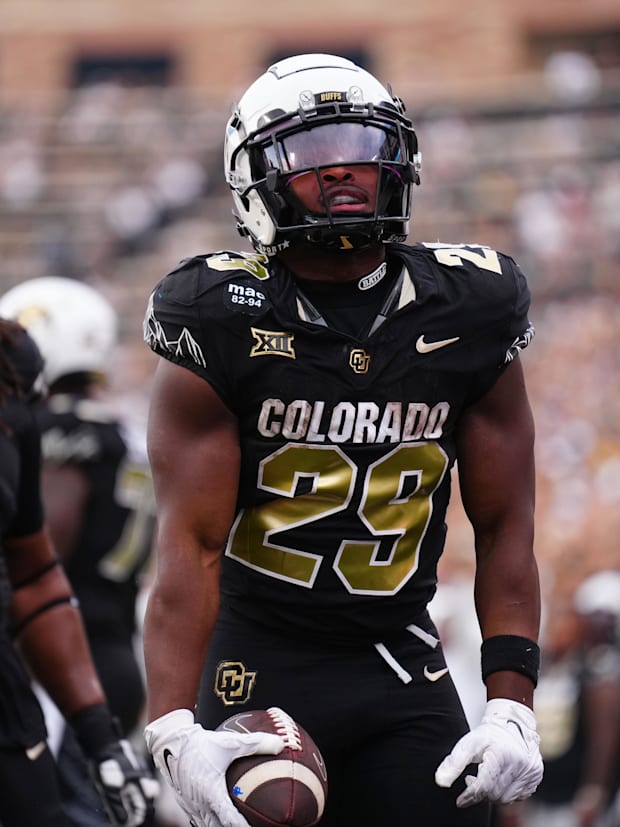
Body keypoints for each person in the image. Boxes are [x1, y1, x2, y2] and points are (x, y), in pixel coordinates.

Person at [141, 53, 544, 827]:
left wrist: (511, 703)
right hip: (257, 658)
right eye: (313, 153)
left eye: (362, 146)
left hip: (399, 655)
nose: (342, 170)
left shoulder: (471, 306)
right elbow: (190, 543)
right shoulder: (220, 313)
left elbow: (504, 525)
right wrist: (171, 728)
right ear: (255, 177)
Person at [0, 277, 156, 826]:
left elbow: (41, 555)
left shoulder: (52, 431)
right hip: (112, 649)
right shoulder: (125, 430)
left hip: (59, 663)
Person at [526, 573, 620, 827]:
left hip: (572, 795)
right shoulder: (540, 670)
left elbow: (603, 737)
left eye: (566, 623)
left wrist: (593, 790)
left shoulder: (594, 674)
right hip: (540, 791)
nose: (559, 631)